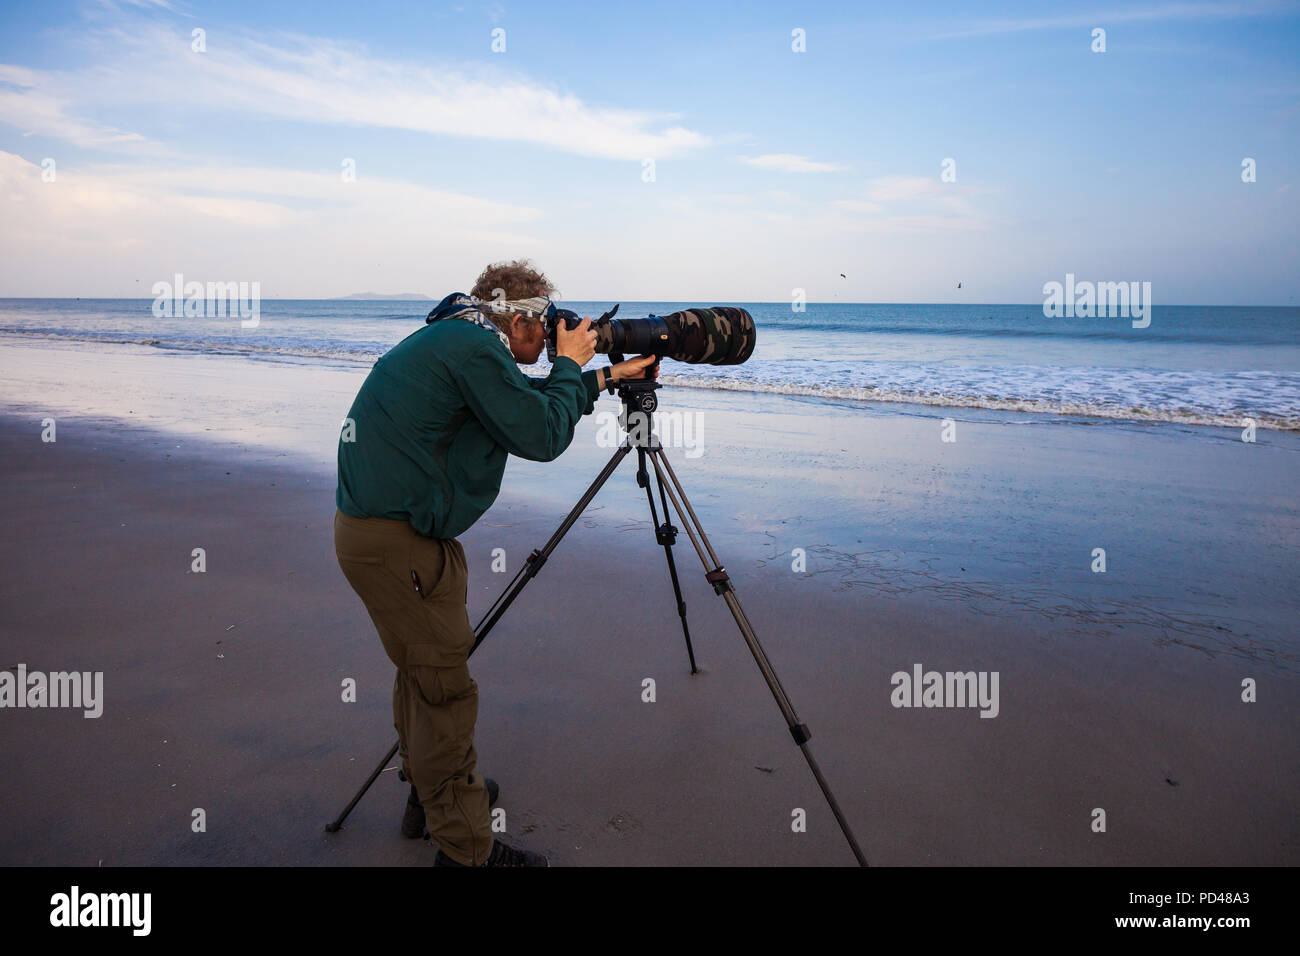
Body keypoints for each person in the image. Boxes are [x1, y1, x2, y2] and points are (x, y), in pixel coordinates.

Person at [333, 260, 654, 866]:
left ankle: (431, 800)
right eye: (547, 325)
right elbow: (538, 433)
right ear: (521, 319)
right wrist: (569, 364)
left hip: (375, 536)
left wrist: (604, 377)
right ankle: (464, 853)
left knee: (421, 677)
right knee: (444, 694)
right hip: (397, 545)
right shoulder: (475, 350)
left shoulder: (459, 337)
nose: (552, 336)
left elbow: (515, 402)